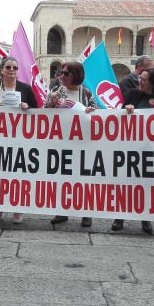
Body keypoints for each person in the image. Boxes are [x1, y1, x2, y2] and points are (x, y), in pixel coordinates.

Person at [112, 66, 154, 234]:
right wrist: (127, 111)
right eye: (140, 78)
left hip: (152, 150)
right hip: (131, 148)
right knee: (126, 183)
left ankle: (145, 218)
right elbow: (120, 114)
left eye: (144, 79)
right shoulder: (133, 94)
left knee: (146, 185)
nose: (140, 81)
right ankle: (119, 217)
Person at [0, 56, 39, 224]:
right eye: (8, 67)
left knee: (18, 174)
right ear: (2, 70)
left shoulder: (26, 89)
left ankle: (18, 210)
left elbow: (37, 110)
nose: (11, 70)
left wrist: (28, 108)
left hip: (20, 139)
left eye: (14, 67)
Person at [44, 61, 97, 228]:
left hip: (82, 142)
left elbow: (98, 115)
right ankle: (62, 211)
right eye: (61, 73)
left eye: (66, 73)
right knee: (62, 177)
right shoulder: (55, 92)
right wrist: (51, 103)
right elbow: (43, 114)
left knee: (84, 178)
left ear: (76, 75)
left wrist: (91, 112)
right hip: (61, 141)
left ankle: (86, 213)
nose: (62, 76)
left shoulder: (87, 94)